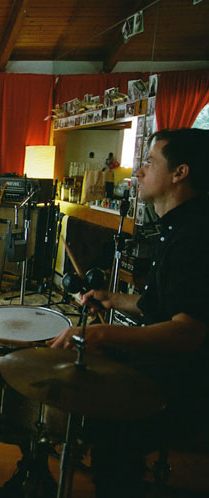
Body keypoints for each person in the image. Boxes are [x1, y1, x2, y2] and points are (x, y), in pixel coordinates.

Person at [48, 128, 209, 497]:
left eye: (149, 162)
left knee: (90, 391)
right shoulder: (178, 227)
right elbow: (166, 305)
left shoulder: (195, 239)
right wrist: (114, 299)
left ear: (180, 173)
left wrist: (99, 333)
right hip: (165, 362)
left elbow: (187, 331)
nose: (138, 171)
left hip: (183, 380)